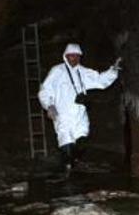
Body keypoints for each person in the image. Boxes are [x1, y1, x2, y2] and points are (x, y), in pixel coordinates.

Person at [38, 43, 121, 172]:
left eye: (77, 56)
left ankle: (73, 163)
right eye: (72, 56)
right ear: (66, 56)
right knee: (66, 140)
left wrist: (113, 70)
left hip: (80, 113)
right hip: (62, 114)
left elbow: (100, 81)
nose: (74, 59)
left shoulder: (83, 71)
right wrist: (49, 105)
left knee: (82, 140)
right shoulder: (57, 71)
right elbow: (45, 90)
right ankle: (68, 169)